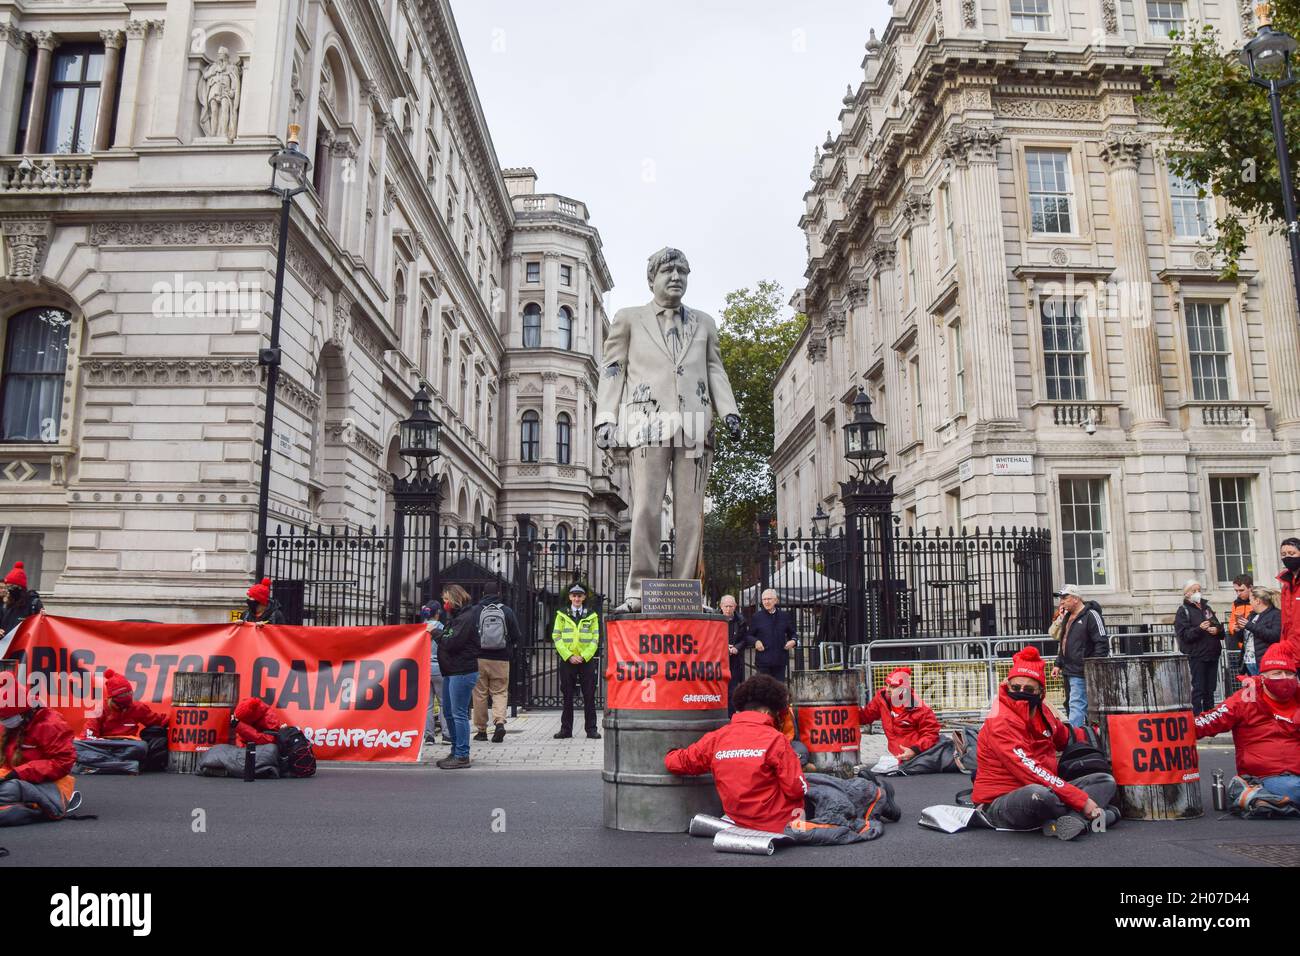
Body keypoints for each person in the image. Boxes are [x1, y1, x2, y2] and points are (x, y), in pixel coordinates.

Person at [595, 247, 742, 613]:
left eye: (682, 271)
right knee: (645, 507)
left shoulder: (704, 322)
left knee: (691, 513)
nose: (676, 277)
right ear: (652, 279)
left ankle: (687, 590)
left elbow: (715, 370)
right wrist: (606, 418)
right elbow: (613, 369)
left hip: (696, 425)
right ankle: (638, 590)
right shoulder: (628, 319)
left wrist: (729, 412)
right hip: (647, 424)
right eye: (668, 271)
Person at [972, 646, 1116, 840]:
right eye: (1015, 687)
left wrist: (1102, 734)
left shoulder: (1043, 712)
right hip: (1003, 799)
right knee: (1039, 795)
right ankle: (1100, 815)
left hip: (1047, 786)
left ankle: (1071, 823)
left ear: (1040, 692)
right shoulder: (1001, 720)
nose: (1021, 692)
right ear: (1007, 684)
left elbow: (1066, 737)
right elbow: (1031, 770)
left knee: (1105, 781)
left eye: (1028, 689)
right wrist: (1081, 800)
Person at [664, 674, 808, 834]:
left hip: (737, 823)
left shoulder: (717, 737)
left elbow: (678, 762)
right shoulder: (777, 740)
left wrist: (670, 751)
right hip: (778, 826)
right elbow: (796, 789)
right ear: (768, 711)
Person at [1195, 647, 1300, 802]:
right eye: (1277, 673)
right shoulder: (1245, 699)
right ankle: (1251, 792)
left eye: (1289, 673)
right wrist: (1166, 725)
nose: (1284, 678)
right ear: (1263, 677)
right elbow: (1207, 722)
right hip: (1267, 776)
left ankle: (1256, 798)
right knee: (1293, 788)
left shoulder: (1297, 698)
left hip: (1294, 774)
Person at [0, 694, 80, 825]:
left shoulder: (51, 724)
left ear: (22, 712)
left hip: (49, 783)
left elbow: (64, 762)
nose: (3, 721)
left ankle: (48, 803)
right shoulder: (9, 723)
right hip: (12, 776)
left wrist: (20, 772)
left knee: (9, 789)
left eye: (5, 718)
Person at [75, 669, 169, 774]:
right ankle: (126, 765)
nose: (127, 696)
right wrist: (103, 744)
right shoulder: (100, 708)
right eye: (122, 694)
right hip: (104, 745)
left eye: (129, 692)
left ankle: (101, 764)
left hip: (127, 745)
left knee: (142, 746)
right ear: (112, 697)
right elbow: (87, 736)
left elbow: (158, 721)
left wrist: (179, 721)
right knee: (74, 746)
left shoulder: (138, 707)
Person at [434, 584, 479, 768]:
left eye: (446, 600)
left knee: (458, 713)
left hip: (462, 671)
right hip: (452, 670)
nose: (444, 604)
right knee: (449, 712)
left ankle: (462, 754)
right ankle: (455, 750)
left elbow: (452, 642)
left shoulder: (466, 618)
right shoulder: (457, 617)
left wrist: (437, 634)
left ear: (454, 599)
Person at [1049, 584, 1108, 727]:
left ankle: (1074, 738)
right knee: (1077, 704)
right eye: (1060, 598)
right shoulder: (1067, 616)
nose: (1061, 601)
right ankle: (1089, 735)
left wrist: (1092, 665)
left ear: (1076, 598)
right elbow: (1063, 641)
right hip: (1069, 669)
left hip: (1083, 669)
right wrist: (1058, 663)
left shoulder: (1091, 615)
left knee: (1076, 704)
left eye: (1065, 598)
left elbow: (1102, 642)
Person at [859, 667, 942, 766]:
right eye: (887, 685)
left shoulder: (919, 708)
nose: (888, 690)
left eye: (893, 687)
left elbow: (931, 733)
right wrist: (847, 709)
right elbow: (866, 716)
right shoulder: (882, 699)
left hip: (918, 757)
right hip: (899, 759)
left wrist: (914, 750)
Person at [471, 590, 522, 744]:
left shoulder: (476, 611)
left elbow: (470, 633)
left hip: (479, 658)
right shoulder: (506, 611)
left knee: (480, 694)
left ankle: (481, 731)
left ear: (483, 593)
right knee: (499, 692)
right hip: (501, 659)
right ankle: (499, 722)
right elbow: (516, 635)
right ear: (499, 593)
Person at [552, 584, 600, 740]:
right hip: (568, 660)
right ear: (570, 597)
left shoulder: (592, 615)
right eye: (574, 595)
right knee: (567, 696)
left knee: (589, 695)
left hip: (586, 661)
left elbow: (595, 638)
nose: (577, 598)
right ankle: (566, 730)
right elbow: (556, 637)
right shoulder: (561, 615)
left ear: (584, 597)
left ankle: (591, 729)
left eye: (580, 596)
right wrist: (568, 655)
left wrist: (585, 656)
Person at [1174, 579, 1223, 714]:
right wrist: (1199, 629)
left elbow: (1219, 627)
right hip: (1197, 654)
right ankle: (1197, 717)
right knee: (1198, 687)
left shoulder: (1207, 608)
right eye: (1194, 591)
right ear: (1187, 594)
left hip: (1212, 652)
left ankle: (1210, 715)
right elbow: (1184, 635)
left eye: (1199, 590)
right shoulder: (1183, 611)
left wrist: (1217, 630)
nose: (1197, 593)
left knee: (1211, 688)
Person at [746, 588, 797, 683]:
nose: (766, 602)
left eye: (769, 599)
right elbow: (748, 636)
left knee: (778, 691)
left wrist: (793, 641)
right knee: (763, 690)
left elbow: (793, 633)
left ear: (776, 600)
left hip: (780, 661)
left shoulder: (784, 616)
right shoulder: (757, 617)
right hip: (763, 662)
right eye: (764, 599)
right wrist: (755, 642)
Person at [421, 604, 451, 746]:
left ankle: (429, 736)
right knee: (444, 702)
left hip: (424, 667)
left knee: (427, 705)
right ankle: (446, 735)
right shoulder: (441, 627)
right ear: (438, 613)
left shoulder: (421, 628)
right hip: (439, 667)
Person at [1239, 587, 1282, 677]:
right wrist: (1239, 630)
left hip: (1265, 661)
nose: (1249, 602)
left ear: (1257, 601)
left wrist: (1249, 626)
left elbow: (1275, 636)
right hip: (1249, 662)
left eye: (1250, 599)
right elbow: (1246, 639)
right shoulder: (1252, 615)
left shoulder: (1275, 614)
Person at [719, 594, 748, 715]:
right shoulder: (714, 618)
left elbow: (745, 638)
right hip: (719, 660)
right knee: (719, 688)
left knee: (733, 689)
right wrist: (723, 647)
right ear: (721, 606)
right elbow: (709, 638)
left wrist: (737, 647)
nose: (728, 609)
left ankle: (730, 716)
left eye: (731, 606)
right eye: (726, 606)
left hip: (735, 660)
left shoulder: (741, 621)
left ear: (735, 606)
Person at [0, 561, 43, 635]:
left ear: (20, 588)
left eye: (11, 587)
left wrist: (43, 619)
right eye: (7, 587)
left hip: (24, 644)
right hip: (6, 645)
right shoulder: (5, 605)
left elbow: (41, 629)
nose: (8, 590)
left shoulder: (33, 604)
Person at [1277, 537, 1300, 657]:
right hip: (1290, 650)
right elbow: (1285, 623)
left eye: (1292, 553)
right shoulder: (1286, 586)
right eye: (1283, 554)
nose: (1287, 557)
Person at [1227, 573, 1254, 655]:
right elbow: (1231, 622)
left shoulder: (1257, 601)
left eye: (1241, 590)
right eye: (1236, 590)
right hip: (1241, 643)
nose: (1238, 593)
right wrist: (1234, 628)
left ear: (1250, 588)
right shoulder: (1236, 603)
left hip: (1254, 642)